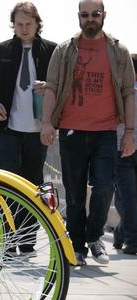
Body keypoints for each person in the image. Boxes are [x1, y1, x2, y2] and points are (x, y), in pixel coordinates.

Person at [40, 0, 136, 266]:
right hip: (72, 131)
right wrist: (47, 123)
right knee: (74, 194)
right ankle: (77, 246)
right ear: (78, 17)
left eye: (95, 14)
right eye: (85, 15)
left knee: (105, 187)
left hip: (106, 131)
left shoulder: (118, 51)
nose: (90, 19)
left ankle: (94, 237)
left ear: (104, 15)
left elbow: (129, 93)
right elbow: (51, 87)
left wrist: (129, 132)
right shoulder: (64, 50)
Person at [0, 1, 56, 256]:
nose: (24, 29)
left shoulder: (52, 52)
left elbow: (64, 84)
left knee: (33, 186)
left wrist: (49, 89)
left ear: (37, 23)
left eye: (28, 24)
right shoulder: (0, 51)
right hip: (7, 130)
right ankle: (8, 239)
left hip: (38, 131)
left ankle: (28, 238)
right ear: (14, 24)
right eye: (19, 24)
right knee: (7, 185)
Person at [113, 54, 137, 255]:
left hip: (120, 148)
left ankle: (122, 233)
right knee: (128, 197)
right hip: (122, 151)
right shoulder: (120, 92)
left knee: (127, 197)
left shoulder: (119, 91)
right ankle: (132, 239)